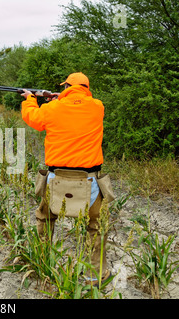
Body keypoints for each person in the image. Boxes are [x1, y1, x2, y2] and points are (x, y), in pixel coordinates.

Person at [20, 72, 111, 286]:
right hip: (90, 181)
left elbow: (33, 118)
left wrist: (30, 99)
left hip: (56, 178)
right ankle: (93, 276)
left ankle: (43, 262)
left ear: (66, 86)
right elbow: (76, 105)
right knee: (96, 225)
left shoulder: (51, 109)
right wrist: (59, 98)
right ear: (86, 87)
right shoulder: (98, 106)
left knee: (45, 218)